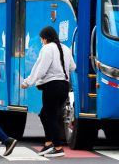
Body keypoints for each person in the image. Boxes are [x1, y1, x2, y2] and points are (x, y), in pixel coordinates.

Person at [21, 26, 76, 158]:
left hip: (52, 86)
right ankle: (48, 143)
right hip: (64, 86)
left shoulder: (47, 48)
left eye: (41, 39)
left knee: (51, 117)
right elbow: (73, 67)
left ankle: (57, 147)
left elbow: (40, 69)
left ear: (45, 38)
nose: (41, 42)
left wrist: (28, 82)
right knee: (44, 114)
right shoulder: (66, 48)